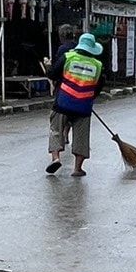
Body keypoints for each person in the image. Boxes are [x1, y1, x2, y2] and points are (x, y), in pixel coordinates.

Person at [47, 32, 103, 176]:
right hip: (83, 107)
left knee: (56, 130)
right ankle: (77, 168)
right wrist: (87, 97)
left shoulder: (68, 57)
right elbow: (98, 88)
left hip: (63, 103)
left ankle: (55, 158)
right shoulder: (97, 65)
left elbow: (52, 74)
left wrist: (48, 67)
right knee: (81, 137)